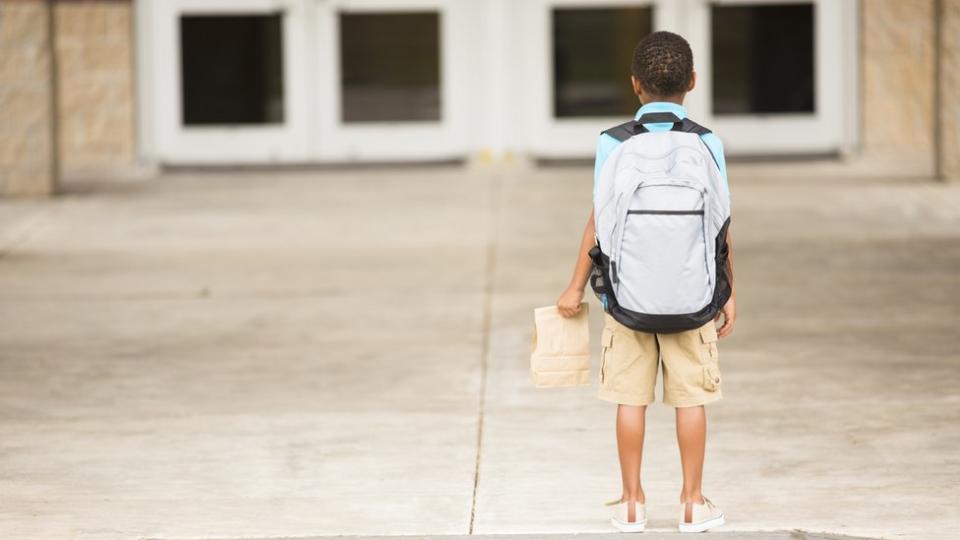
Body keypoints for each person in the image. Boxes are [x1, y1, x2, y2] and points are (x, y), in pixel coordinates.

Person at [555, 31, 735, 533]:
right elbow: (720, 224)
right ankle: (693, 503)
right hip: (693, 296)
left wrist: (574, 288)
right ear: (692, 83)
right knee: (691, 399)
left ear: (634, 85)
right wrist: (729, 293)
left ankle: (632, 502)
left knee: (629, 399)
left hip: (626, 298)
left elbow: (599, 221)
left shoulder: (613, 143)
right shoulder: (707, 142)